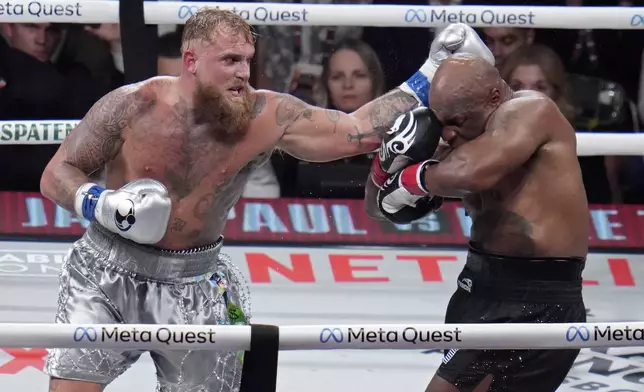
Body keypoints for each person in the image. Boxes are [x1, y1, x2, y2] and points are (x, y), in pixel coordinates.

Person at [39, 8, 494, 392]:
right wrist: (100, 203)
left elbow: (353, 133)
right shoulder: (131, 105)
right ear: (192, 60)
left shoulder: (265, 115)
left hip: (195, 282)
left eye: (248, 60)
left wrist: (430, 73)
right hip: (106, 270)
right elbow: (57, 172)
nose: (243, 73)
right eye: (230, 60)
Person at [366, 54, 588, 392]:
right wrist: (384, 168)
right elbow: (379, 209)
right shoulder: (462, 135)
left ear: (495, 97)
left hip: (537, 296)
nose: (449, 132)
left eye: (457, 119)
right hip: (477, 285)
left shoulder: (530, 111)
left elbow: (471, 173)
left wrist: (412, 177)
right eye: (443, 121)